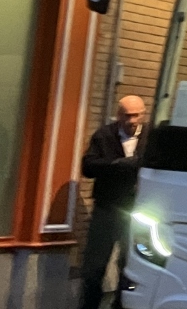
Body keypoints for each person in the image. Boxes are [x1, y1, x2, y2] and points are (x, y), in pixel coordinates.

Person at [80, 95, 146, 309]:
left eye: (136, 115)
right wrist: (117, 165)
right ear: (118, 115)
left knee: (130, 265)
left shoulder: (150, 138)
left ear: (143, 115)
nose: (132, 121)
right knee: (94, 266)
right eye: (127, 116)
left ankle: (121, 305)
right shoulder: (104, 135)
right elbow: (88, 167)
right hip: (107, 208)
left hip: (137, 211)